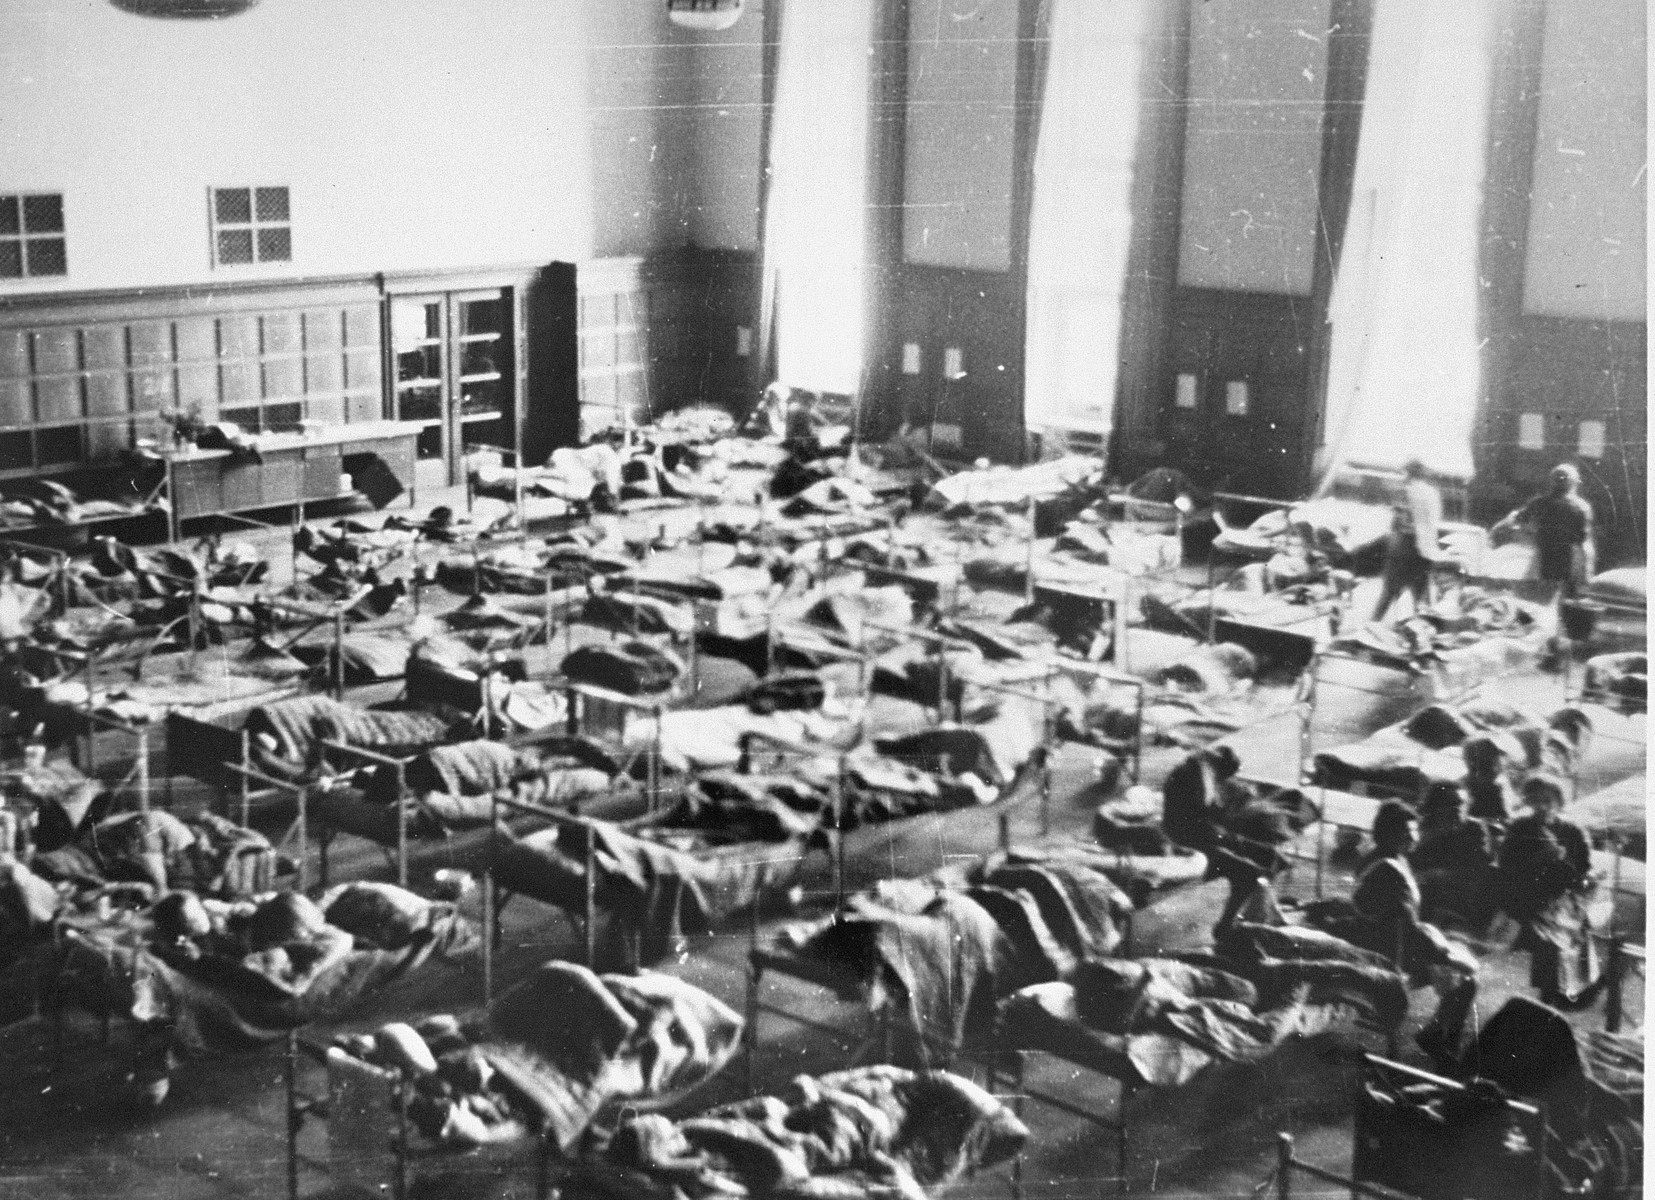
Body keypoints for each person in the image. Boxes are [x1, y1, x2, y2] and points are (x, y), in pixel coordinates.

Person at [1496, 774, 1600, 1008]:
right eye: (1536, 800)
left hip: (1564, 897)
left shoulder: (1573, 832)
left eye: (1548, 800)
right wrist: (1539, 861)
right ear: (1528, 802)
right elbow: (1507, 867)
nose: (1543, 806)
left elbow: (1583, 871)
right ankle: (1549, 995)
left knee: (1566, 928)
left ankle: (1564, 992)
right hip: (1530, 897)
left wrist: (1566, 866)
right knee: (1549, 934)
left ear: (1559, 801)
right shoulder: (1520, 828)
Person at [1491, 462, 1595, 596]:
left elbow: (1515, 520)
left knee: (1540, 595)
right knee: (1564, 598)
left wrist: (1498, 532)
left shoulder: (1540, 503)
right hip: (1569, 561)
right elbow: (1585, 544)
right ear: (1573, 483)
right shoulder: (1581, 507)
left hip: (1542, 558)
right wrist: (1586, 576)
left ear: (1552, 482)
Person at [1410, 783, 1498, 929]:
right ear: (1436, 806)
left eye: (1461, 803)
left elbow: (1478, 870)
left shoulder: (1474, 830)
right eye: (1450, 803)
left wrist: (1437, 874)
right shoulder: (1423, 830)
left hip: (1461, 899)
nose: (1457, 809)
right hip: (1425, 898)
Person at [1372, 458, 1444, 621]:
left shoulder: (1404, 492)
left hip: (1404, 546)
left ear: (1408, 474)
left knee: (1389, 592)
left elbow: (1397, 522)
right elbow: (1434, 521)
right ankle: (1423, 628)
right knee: (1420, 596)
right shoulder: (1432, 492)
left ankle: (1372, 624)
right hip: (1425, 549)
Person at [1461, 735, 1520, 824]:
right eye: (1497, 756)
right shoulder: (1492, 787)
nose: (1502, 761)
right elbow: (1503, 820)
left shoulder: (1500, 782)